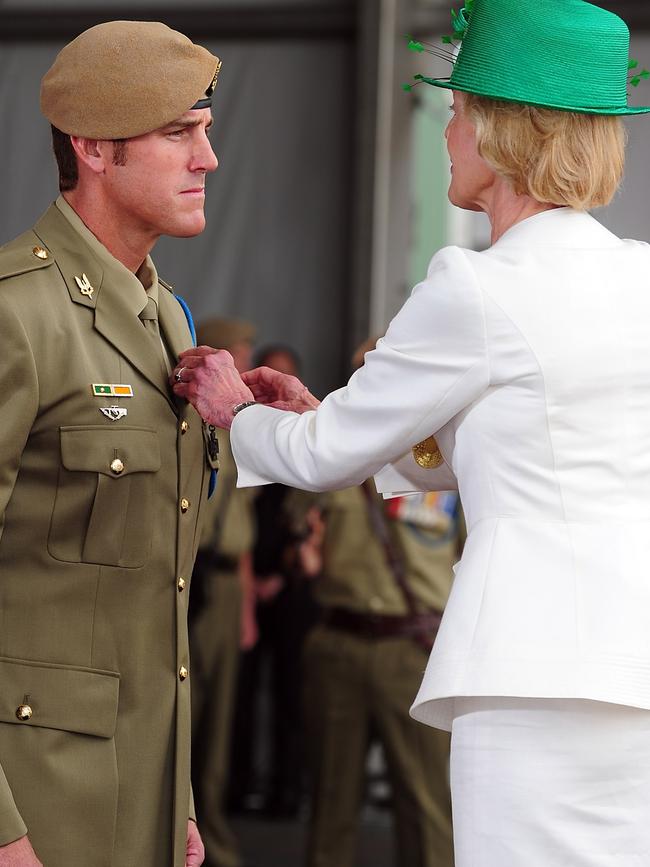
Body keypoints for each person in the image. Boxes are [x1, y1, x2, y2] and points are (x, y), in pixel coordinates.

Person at [172, 0, 650, 864]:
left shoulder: (474, 285)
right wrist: (334, 420)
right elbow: (515, 450)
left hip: (526, 670)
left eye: (460, 110)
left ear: (507, 132)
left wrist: (232, 411)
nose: (448, 130)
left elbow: (322, 460)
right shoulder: (641, 277)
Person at [0, 21, 221, 867]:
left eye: (204, 132)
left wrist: (179, 798)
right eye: (177, 133)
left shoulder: (167, 319)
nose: (206, 160)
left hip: (143, 797)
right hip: (36, 804)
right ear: (93, 148)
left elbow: (149, 598)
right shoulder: (18, 314)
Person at [294, 337, 458, 867]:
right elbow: (300, 530)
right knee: (330, 802)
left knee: (427, 806)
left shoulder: (443, 457)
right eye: (362, 371)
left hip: (413, 649)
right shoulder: (327, 444)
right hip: (337, 641)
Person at [189, 317, 258, 867]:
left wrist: (249, 603)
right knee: (185, 714)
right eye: (237, 349)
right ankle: (183, 830)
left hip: (231, 580)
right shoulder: (193, 412)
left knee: (219, 725)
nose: (244, 357)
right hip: (194, 577)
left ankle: (214, 834)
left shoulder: (241, 421)